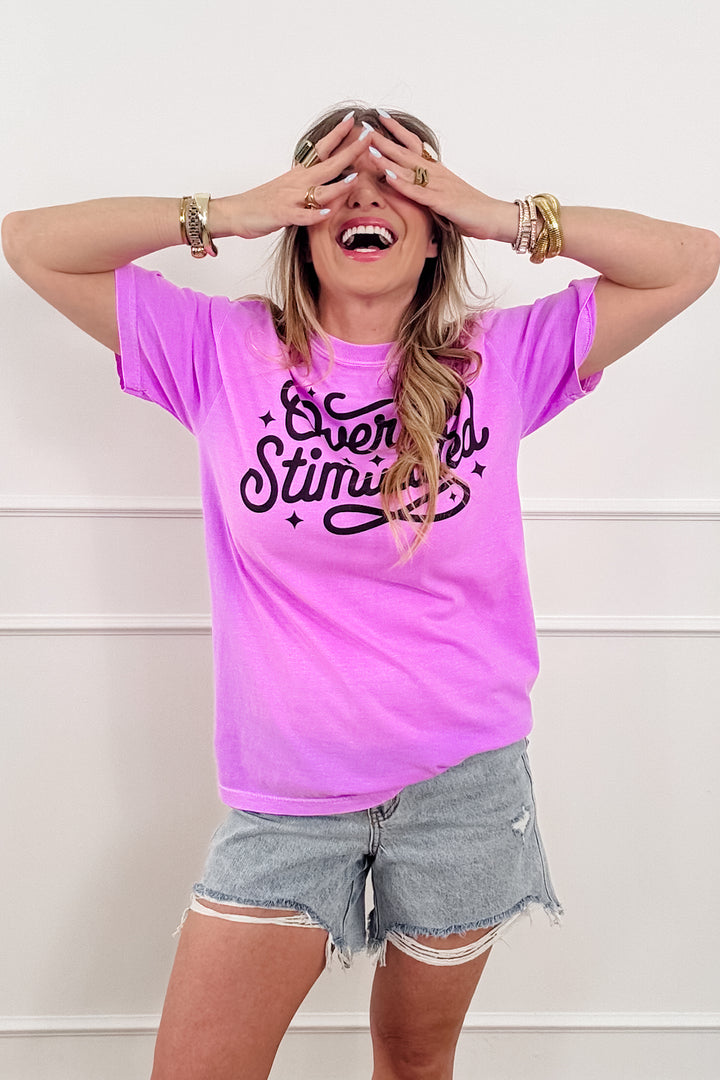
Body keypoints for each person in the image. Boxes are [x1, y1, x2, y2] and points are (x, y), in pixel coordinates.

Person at [3, 103, 718, 1080]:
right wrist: (230, 211)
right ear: (301, 222)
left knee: (415, 1060)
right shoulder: (216, 350)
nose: (365, 200)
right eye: (336, 182)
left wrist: (499, 214)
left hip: (465, 789)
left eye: (399, 183)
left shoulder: (499, 360)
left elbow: (690, 260)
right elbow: (29, 243)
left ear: (436, 232)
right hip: (287, 801)